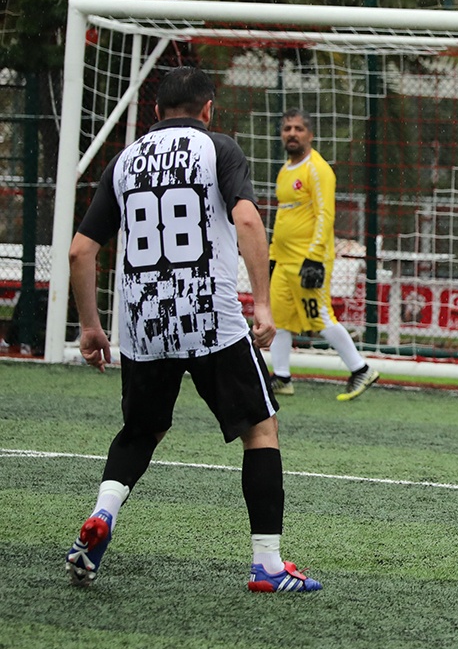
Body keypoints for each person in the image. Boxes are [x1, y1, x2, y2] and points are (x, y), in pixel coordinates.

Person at [65, 66, 321, 592]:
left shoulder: (123, 160)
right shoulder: (217, 148)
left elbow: (80, 251)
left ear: (156, 111)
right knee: (260, 430)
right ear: (208, 109)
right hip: (209, 317)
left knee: (141, 431)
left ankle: (103, 514)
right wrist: (263, 306)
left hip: (143, 322)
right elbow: (247, 221)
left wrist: (90, 326)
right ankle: (268, 565)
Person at [267, 109, 379, 401]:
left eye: (298, 129)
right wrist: (273, 256)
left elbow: (325, 215)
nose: (292, 134)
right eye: (287, 129)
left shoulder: (317, 169)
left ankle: (361, 369)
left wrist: (314, 258)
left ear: (310, 135)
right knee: (279, 319)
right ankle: (282, 377)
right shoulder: (285, 170)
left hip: (307, 261)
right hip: (284, 262)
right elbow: (283, 218)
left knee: (319, 317)